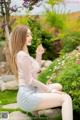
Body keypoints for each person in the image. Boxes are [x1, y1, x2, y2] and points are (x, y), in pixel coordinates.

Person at [9, 25, 73, 120]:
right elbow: (30, 80)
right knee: (66, 98)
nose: (31, 37)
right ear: (20, 37)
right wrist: (49, 90)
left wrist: (39, 54)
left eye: (30, 35)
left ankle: (36, 110)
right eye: (27, 35)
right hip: (27, 97)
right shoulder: (22, 55)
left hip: (31, 91)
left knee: (58, 86)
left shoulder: (24, 54)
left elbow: (36, 69)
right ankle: (36, 107)